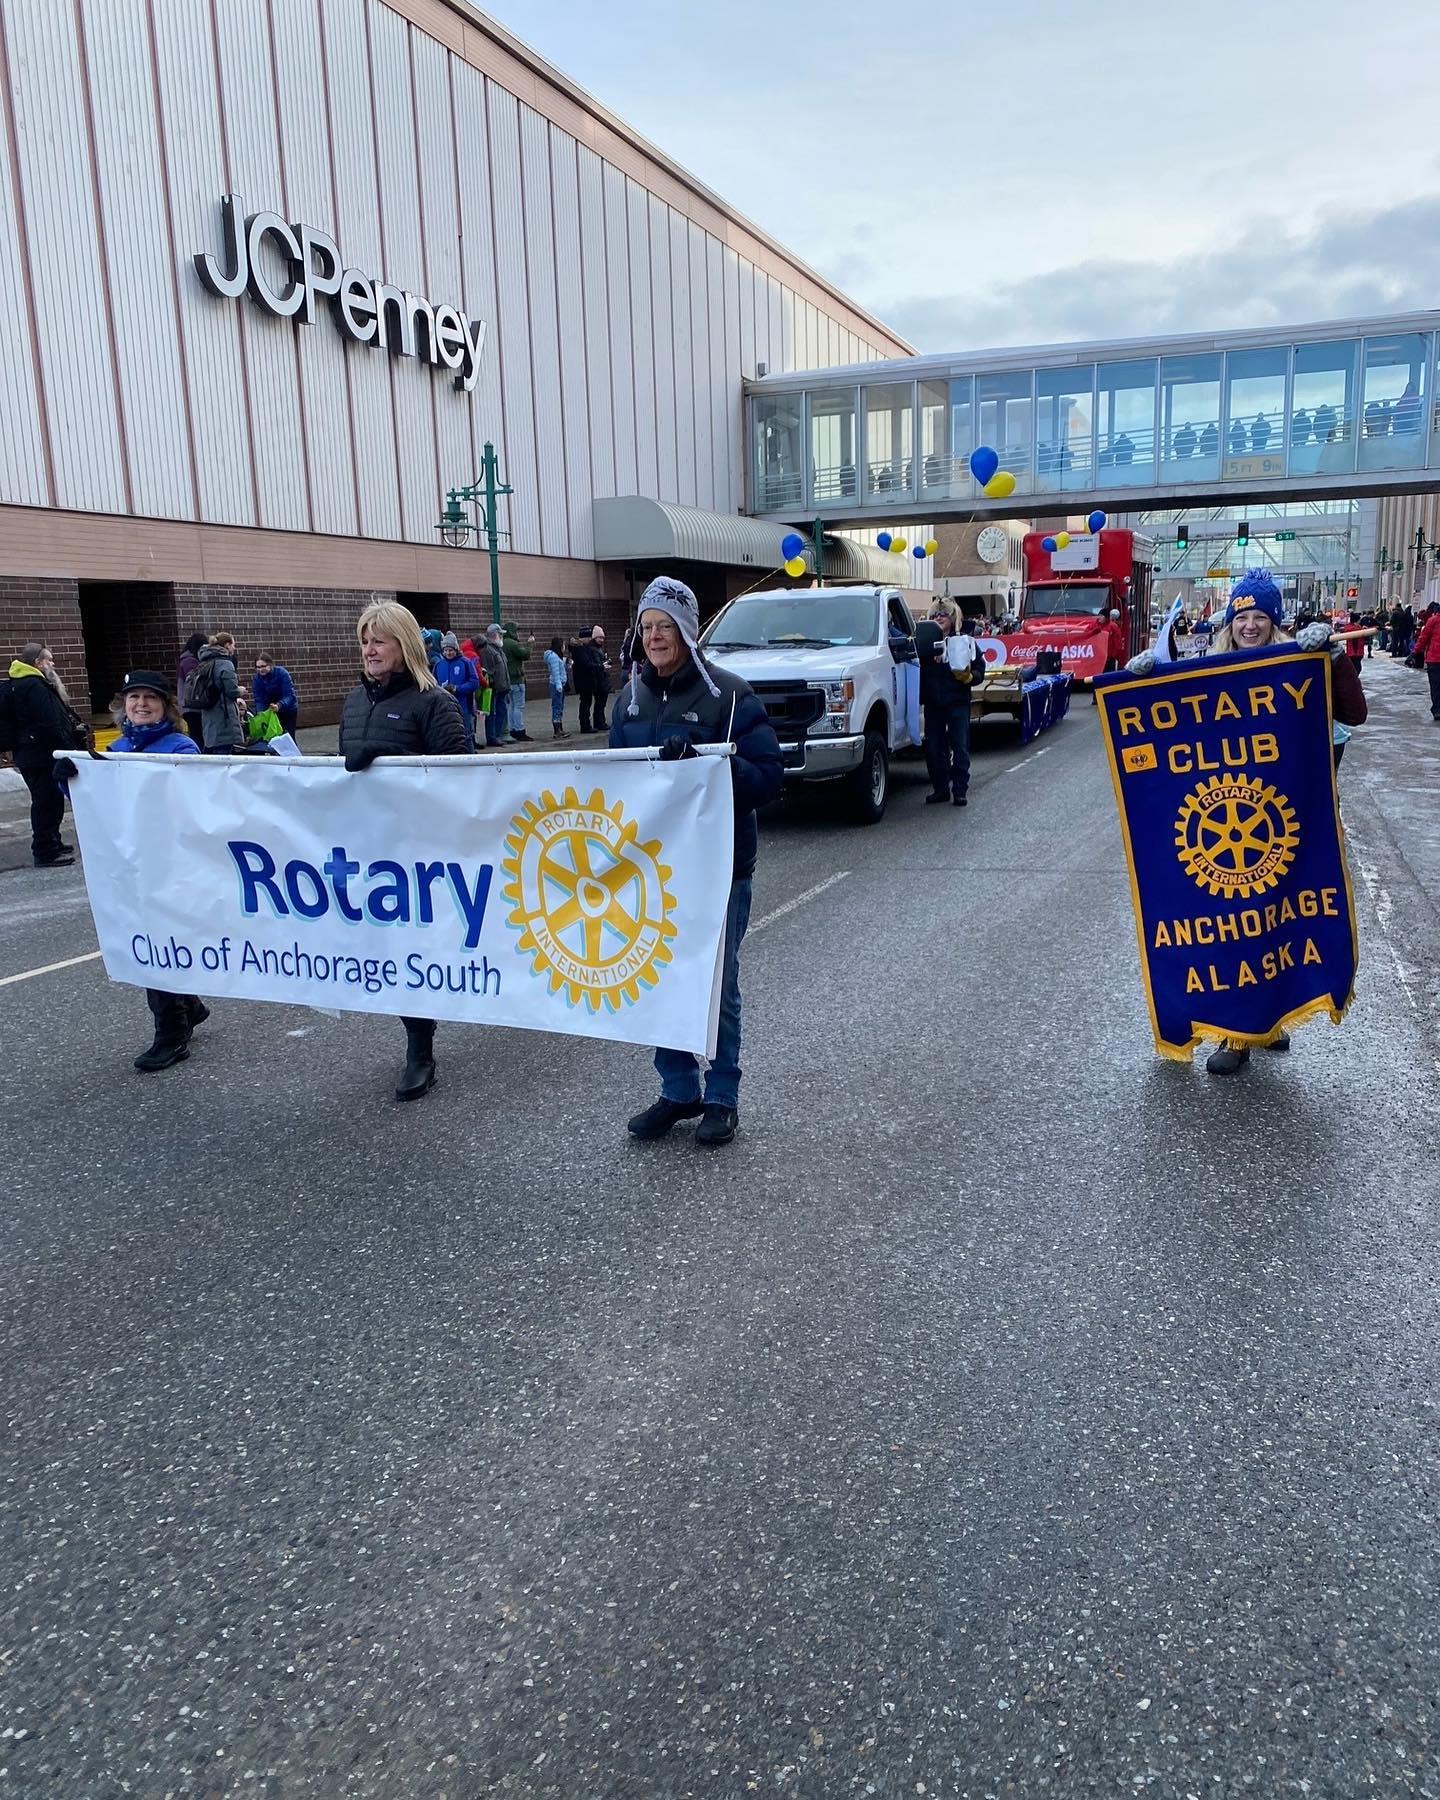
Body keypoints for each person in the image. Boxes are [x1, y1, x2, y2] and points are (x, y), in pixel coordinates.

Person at [1128, 569, 1365, 1077]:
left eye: (1261, 616)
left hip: (1285, 820)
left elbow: (1355, 713)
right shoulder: (1209, 668)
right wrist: (1141, 681)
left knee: (1278, 921)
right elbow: (1166, 719)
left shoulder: (1298, 661)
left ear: (1273, 619)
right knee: (1231, 923)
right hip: (1223, 820)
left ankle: (1269, 1022)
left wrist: (1334, 658)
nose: (1251, 625)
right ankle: (1234, 1037)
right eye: (1243, 616)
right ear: (1230, 620)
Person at [611, 576, 782, 1147]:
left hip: (719, 868)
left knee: (716, 984)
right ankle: (678, 1089)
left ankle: (722, 1095)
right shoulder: (627, 700)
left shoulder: (730, 697)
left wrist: (715, 766)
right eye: (647, 626)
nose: (655, 637)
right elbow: (615, 786)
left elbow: (768, 782)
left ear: (687, 630)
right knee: (659, 977)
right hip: (655, 872)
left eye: (666, 626)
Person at [338, 601, 469, 1100]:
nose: (370, 650)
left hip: (420, 850)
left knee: (414, 945)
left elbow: (458, 774)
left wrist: (394, 761)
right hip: (369, 847)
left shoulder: (434, 703)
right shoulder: (354, 702)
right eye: (365, 640)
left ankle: (420, 1048)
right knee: (387, 947)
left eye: (380, 640)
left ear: (405, 646)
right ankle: (416, 1031)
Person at [104, 671, 213, 1070]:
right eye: (134, 698)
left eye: (150, 698)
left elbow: (193, 800)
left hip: (171, 865)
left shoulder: (179, 747)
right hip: (132, 864)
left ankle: (171, 1033)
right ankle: (188, 1004)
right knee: (148, 938)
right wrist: (71, 782)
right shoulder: (115, 750)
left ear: (166, 706)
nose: (141, 705)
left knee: (156, 942)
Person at [7, 642, 87, 867]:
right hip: (40, 755)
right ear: (37, 663)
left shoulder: (22, 683)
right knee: (46, 802)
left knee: (50, 801)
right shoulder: (34, 686)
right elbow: (51, 722)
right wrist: (69, 747)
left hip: (31, 753)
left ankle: (53, 842)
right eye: (49, 660)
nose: (52, 663)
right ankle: (44, 850)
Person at [914, 602, 984, 806]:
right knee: (934, 748)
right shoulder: (924, 642)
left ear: (954, 618)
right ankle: (941, 789)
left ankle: (960, 790)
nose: (939, 617)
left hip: (957, 702)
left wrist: (970, 677)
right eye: (935, 614)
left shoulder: (964, 641)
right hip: (933, 703)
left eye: (944, 614)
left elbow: (980, 668)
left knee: (959, 746)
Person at [433, 631, 481, 750]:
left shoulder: (465, 663)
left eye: (451, 650)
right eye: (445, 650)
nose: (448, 653)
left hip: (464, 706)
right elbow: (433, 684)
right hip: (444, 707)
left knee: (466, 734)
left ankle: (470, 758)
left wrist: (457, 688)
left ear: (456, 649)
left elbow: (475, 682)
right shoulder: (439, 665)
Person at [196, 632, 242, 753]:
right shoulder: (225, 664)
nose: (234, 648)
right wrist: (240, 691)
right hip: (224, 715)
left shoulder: (204, 661)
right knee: (224, 756)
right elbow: (231, 691)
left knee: (212, 752)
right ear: (227, 645)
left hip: (208, 713)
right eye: (233, 645)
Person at [570, 625, 610, 733]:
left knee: (587, 702)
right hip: (584, 680)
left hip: (586, 680)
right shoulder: (580, 649)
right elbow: (586, 664)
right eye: (588, 637)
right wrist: (601, 666)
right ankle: (585, 725)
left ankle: (587, 724)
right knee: (585, 703)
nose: (589, 639)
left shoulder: (582, 648)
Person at [251, 654, 299, 737]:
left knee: (288, 736)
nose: (260, 669)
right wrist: (261, 715)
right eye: (258, 667)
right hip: (271, 710)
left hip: (288, 709)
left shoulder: (282, 673)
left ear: (270, 665)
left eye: (263, 666)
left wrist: (279, 705)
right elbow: (259, 700)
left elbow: (289, 695)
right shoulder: (257, 679)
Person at [480, 624, 512, 745]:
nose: (502, 637)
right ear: (494, 635)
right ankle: (492, 736)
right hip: (494, 688)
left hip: (501, 688)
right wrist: (491, 684)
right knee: (493, 713)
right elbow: (488, 670)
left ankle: (496, 735)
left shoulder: (497, 649)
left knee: (500, 711)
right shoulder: (488, 650)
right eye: (500, 634)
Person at [502, 620, 533, 740]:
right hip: (516, 679)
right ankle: (519, 729)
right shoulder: (513, 644)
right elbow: (525, 655)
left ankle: (511, 729)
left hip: (507, 679)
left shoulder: (502, 643)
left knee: (510, 706)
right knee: (518, 706)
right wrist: (530, 644)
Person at [1413, 601, 1440, 723]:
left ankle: (1437, 709)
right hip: (1434, 657)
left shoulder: (1433, 621)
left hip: (1434, 658)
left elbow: (1423, 638)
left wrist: (1415, 652)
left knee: (1435, 686)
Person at [176, 632, 206, 742]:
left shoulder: (185, 660)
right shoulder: (190, 662)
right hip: (192, 706)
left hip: (187, 706)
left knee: (196, 734)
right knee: (198, 736)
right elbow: (195, 682)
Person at [543, 635, 568, 738]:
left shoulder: (556, 656)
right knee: (557, 706)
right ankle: (557, 730)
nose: (564, 647)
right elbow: (556, 672)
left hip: (560, 684)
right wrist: (558, 684)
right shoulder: (554, 657)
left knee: (559, 706)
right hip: (557, 685)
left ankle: (560, 728)